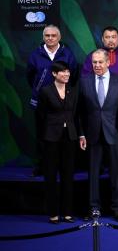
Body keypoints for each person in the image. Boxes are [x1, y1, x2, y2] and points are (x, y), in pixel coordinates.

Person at [79, 49, 118, 222]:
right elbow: (80, 112)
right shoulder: (84, 81)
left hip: (114, 134)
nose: (97, 65)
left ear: (108, 62)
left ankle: (117, 208)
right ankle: (94, 208)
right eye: (94, 62)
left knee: (116, 173)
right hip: (92, 134)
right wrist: (82, 134)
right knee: (93, 174)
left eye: (100, 62)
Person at [27, 24, 78, 176]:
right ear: (43, 37)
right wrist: (39, 90)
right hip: (42, 101)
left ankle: (63, 167)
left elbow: (73, 74)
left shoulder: (67, 53)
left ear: (59, 37)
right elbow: (30, 76)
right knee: (42, 134)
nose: (50, 38)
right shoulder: (35, 54)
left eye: (53, 35)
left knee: (64, 136)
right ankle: (43, 166)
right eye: (47, 36)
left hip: (62, 102)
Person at [36, 61, 79, 224]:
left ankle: (67, 212)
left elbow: (76, 115)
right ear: (54, 74)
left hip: (70, 137)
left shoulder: (73, 91)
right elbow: (40, 116)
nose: (66, 74)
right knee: (51, 176)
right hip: (51, 138)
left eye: (67, 72)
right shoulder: (45, 91)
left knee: (68, 176)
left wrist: (79, 135)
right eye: (62, 72)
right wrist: (43, 137)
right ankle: (53, 213)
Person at [81, 26, 118, 91]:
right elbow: (85, 77)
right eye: (107, 37)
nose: (110, 40)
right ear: (102, 39)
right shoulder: (93, 56)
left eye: (113, 37)